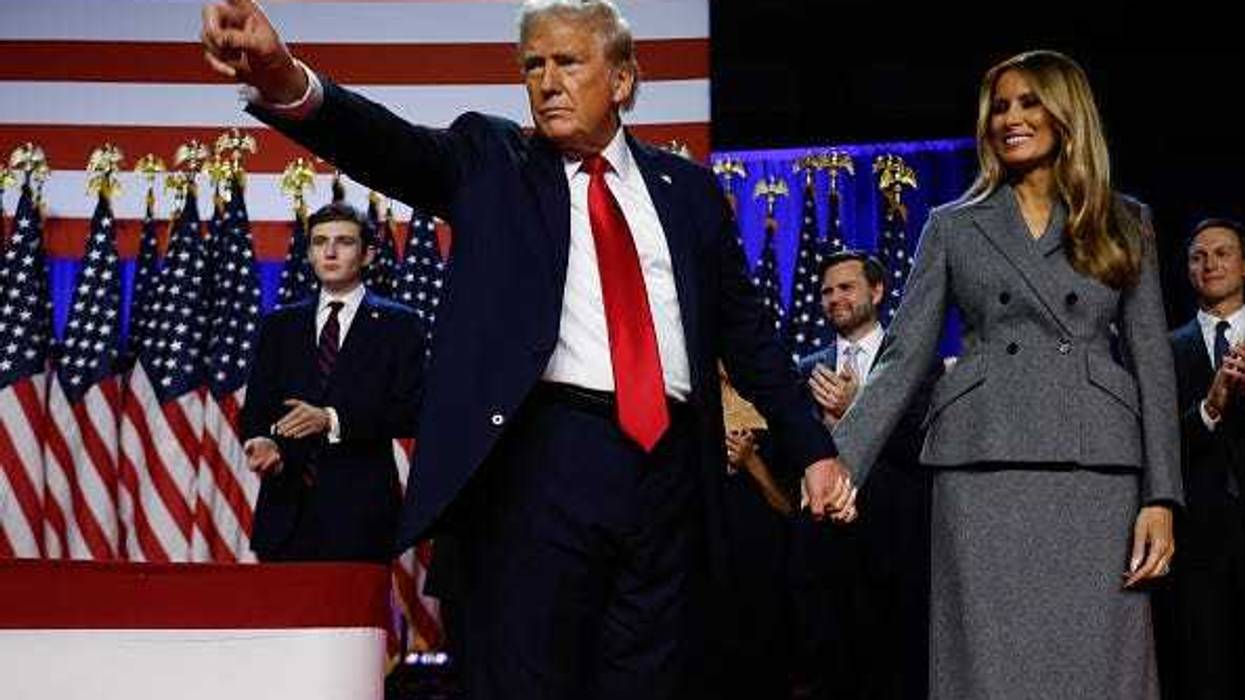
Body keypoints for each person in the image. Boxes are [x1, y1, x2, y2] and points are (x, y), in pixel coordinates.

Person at [202, 1, 851, 697]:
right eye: (532, 66)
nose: (546, 81)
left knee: (651, 680)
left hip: (670, 474)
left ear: (624, 80)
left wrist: (810, 447)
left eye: (568, 62)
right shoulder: (494, 161)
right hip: (539, 464)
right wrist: (283, 78)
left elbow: (745, 331)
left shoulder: (685, 190)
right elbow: (385, 144)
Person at [832, 50, 1182, 699]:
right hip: (983, 464)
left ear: (1064, 112)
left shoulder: (1123, 221)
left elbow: (1152, 362)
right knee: (989, 669)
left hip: (1095, 469)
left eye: (1027, 102)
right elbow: (903, 356)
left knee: (1096, 666)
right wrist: (838, 461)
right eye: (998, 106)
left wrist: (1160, 496)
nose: (1010, 118)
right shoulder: (951, 226)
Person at [240, 201, 425, 563]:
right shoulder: (280, 325)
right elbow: (257, 406)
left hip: (361, 518)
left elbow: (411, 411)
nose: (329, 251)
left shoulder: (400, 325)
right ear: (308, 252)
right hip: (285, 515)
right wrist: (261, 440)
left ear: (368, 254)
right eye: (319, 241)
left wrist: (332, 419)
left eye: (344, 241)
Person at [792, 250, 936, 700]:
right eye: (826, 291)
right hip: (826, 549)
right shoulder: (805, 371)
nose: (834, 298)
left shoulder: (916, 363)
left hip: (896, 542)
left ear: (876, 291)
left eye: (846, 287)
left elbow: (924, 446)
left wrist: (859, 411)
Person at [1160, 218, 1245, 699]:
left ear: (1244, 264)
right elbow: (1157, 440)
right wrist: (1209, 410)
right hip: (1198, 541)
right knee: (1204, 674)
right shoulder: (1164, 349)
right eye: (1198, 256)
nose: (1210, 263)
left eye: (1222, 252)